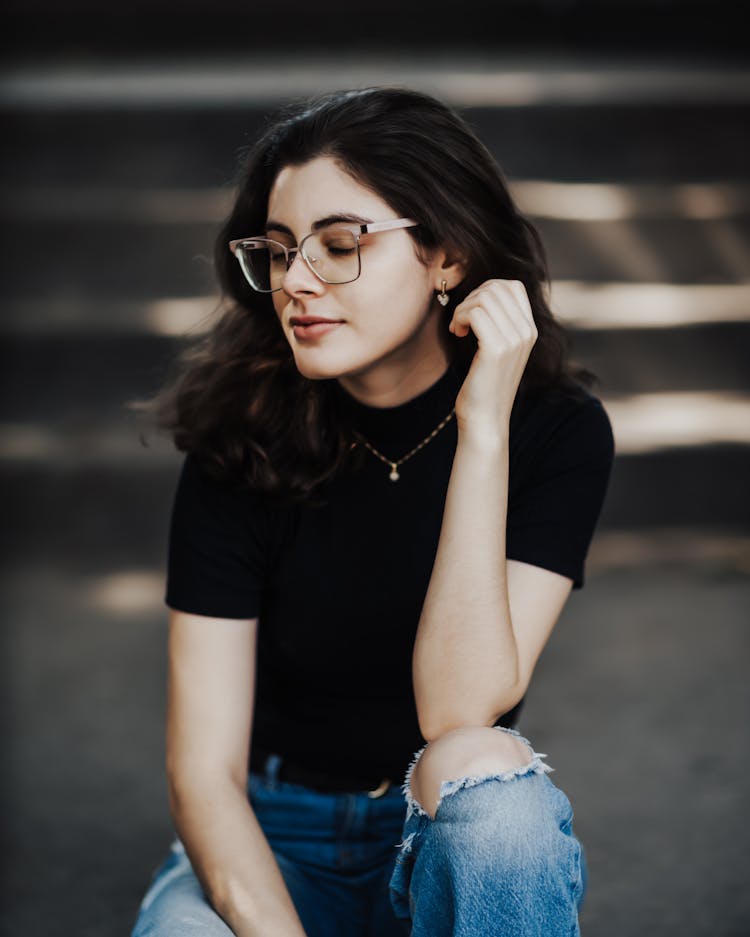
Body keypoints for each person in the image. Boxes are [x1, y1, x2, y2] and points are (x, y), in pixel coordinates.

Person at [130, 86, 615, 937]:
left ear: (450, 258)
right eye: (279, 252)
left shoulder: (552, 432)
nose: (297, 284)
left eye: (341, 245)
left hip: (435, 832)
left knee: (493, 787)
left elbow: (457, 715)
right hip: (272, 839)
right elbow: (202, 769)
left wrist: (482, 429)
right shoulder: (240, 434)